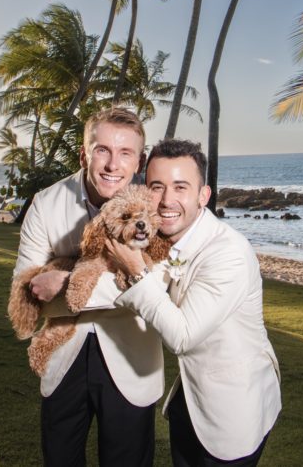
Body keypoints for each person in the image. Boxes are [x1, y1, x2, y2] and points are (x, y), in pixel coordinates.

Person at [106, 139, 281, 466]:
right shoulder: (162, 238)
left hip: (232, 410)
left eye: (181, 187)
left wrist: (134, 268)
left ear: (204, 196)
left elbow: (183, 337)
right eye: (157, 187)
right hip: (190, 399)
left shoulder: (229, 253)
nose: (167, 200)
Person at [12, 106, 162, 466]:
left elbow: (158, 283)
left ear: (139, 161)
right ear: (84, 153)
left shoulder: (153, 209)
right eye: (103, 150)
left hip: (132, 360)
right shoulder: (46, 204)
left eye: (125, 153)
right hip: (63, 360)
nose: (113, 165)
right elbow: (25, 290)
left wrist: (64, 280)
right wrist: (126, 285)